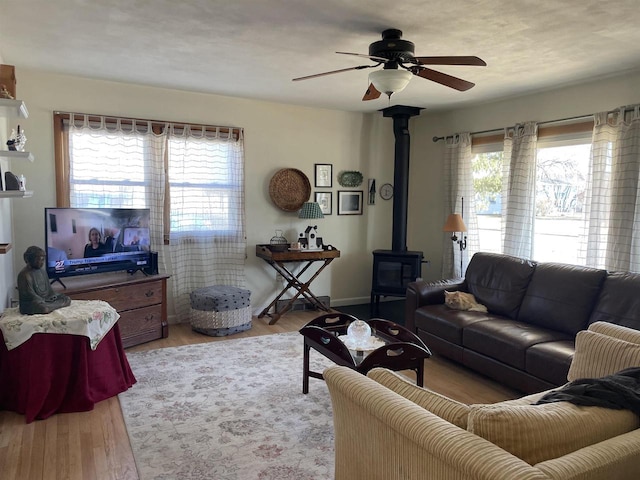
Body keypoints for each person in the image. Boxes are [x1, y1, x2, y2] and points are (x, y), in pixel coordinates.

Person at [18, 246, 71, 315]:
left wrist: (53, 296)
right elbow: (30, 295)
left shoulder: (43, 272)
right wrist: (43, 300)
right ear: (29, 259)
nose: (41, 262)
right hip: (32, 302)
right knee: (43, 308)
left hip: (46, 299)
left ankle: (51, 306)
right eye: (38, 260)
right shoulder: (25, 274)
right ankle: (51, 307)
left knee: (66, 299)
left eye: (43, 260)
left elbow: (49, 290)